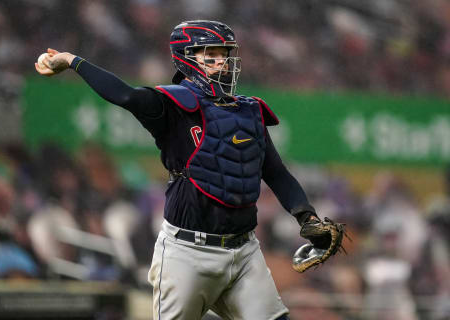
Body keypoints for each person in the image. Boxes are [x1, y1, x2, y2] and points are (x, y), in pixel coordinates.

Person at [35, 20, 323, 320]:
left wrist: (307, 217)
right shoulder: (171, 106)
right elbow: (126, 96)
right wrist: (72, 61)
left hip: (244, 251)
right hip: (188, 253)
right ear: (187, 57)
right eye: (210, 54)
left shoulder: (248, 111)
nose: (222, 61)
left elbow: (276, 173)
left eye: (224, 54)